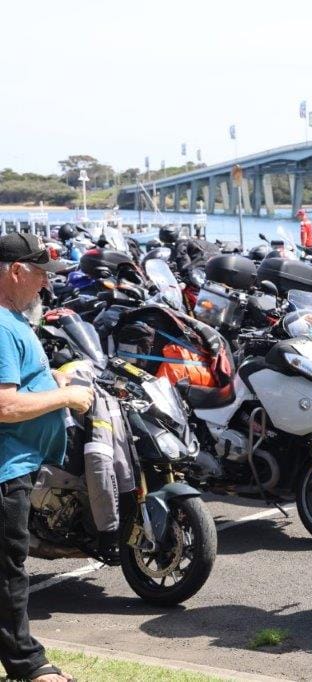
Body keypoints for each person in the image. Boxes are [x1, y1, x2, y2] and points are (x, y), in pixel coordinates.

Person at [0, 233, 93, 682]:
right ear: (16, 271)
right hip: (5, 470)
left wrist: (48, 375)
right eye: (39, 274)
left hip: (15, 466)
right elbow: (4, 407)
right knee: (8, 572)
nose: (45, 285)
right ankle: (28, 666)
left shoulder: (11, 320)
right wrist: (65, 397)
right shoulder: (1, 324)